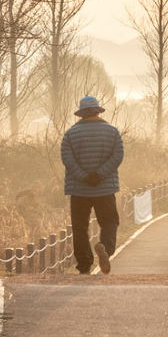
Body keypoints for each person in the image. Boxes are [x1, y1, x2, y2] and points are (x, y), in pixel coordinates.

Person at [62, 95, 124, 274]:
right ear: (98, 111)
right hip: (105, 188)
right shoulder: (112, 132)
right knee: (110, 221)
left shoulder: (70, 135)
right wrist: (100, 175)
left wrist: (84, 176)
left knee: (80, 226)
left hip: (79, 189)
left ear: (81, 114)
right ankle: (105, 247)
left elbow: (67, 159)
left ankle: (84, 265)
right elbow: (117, 156)